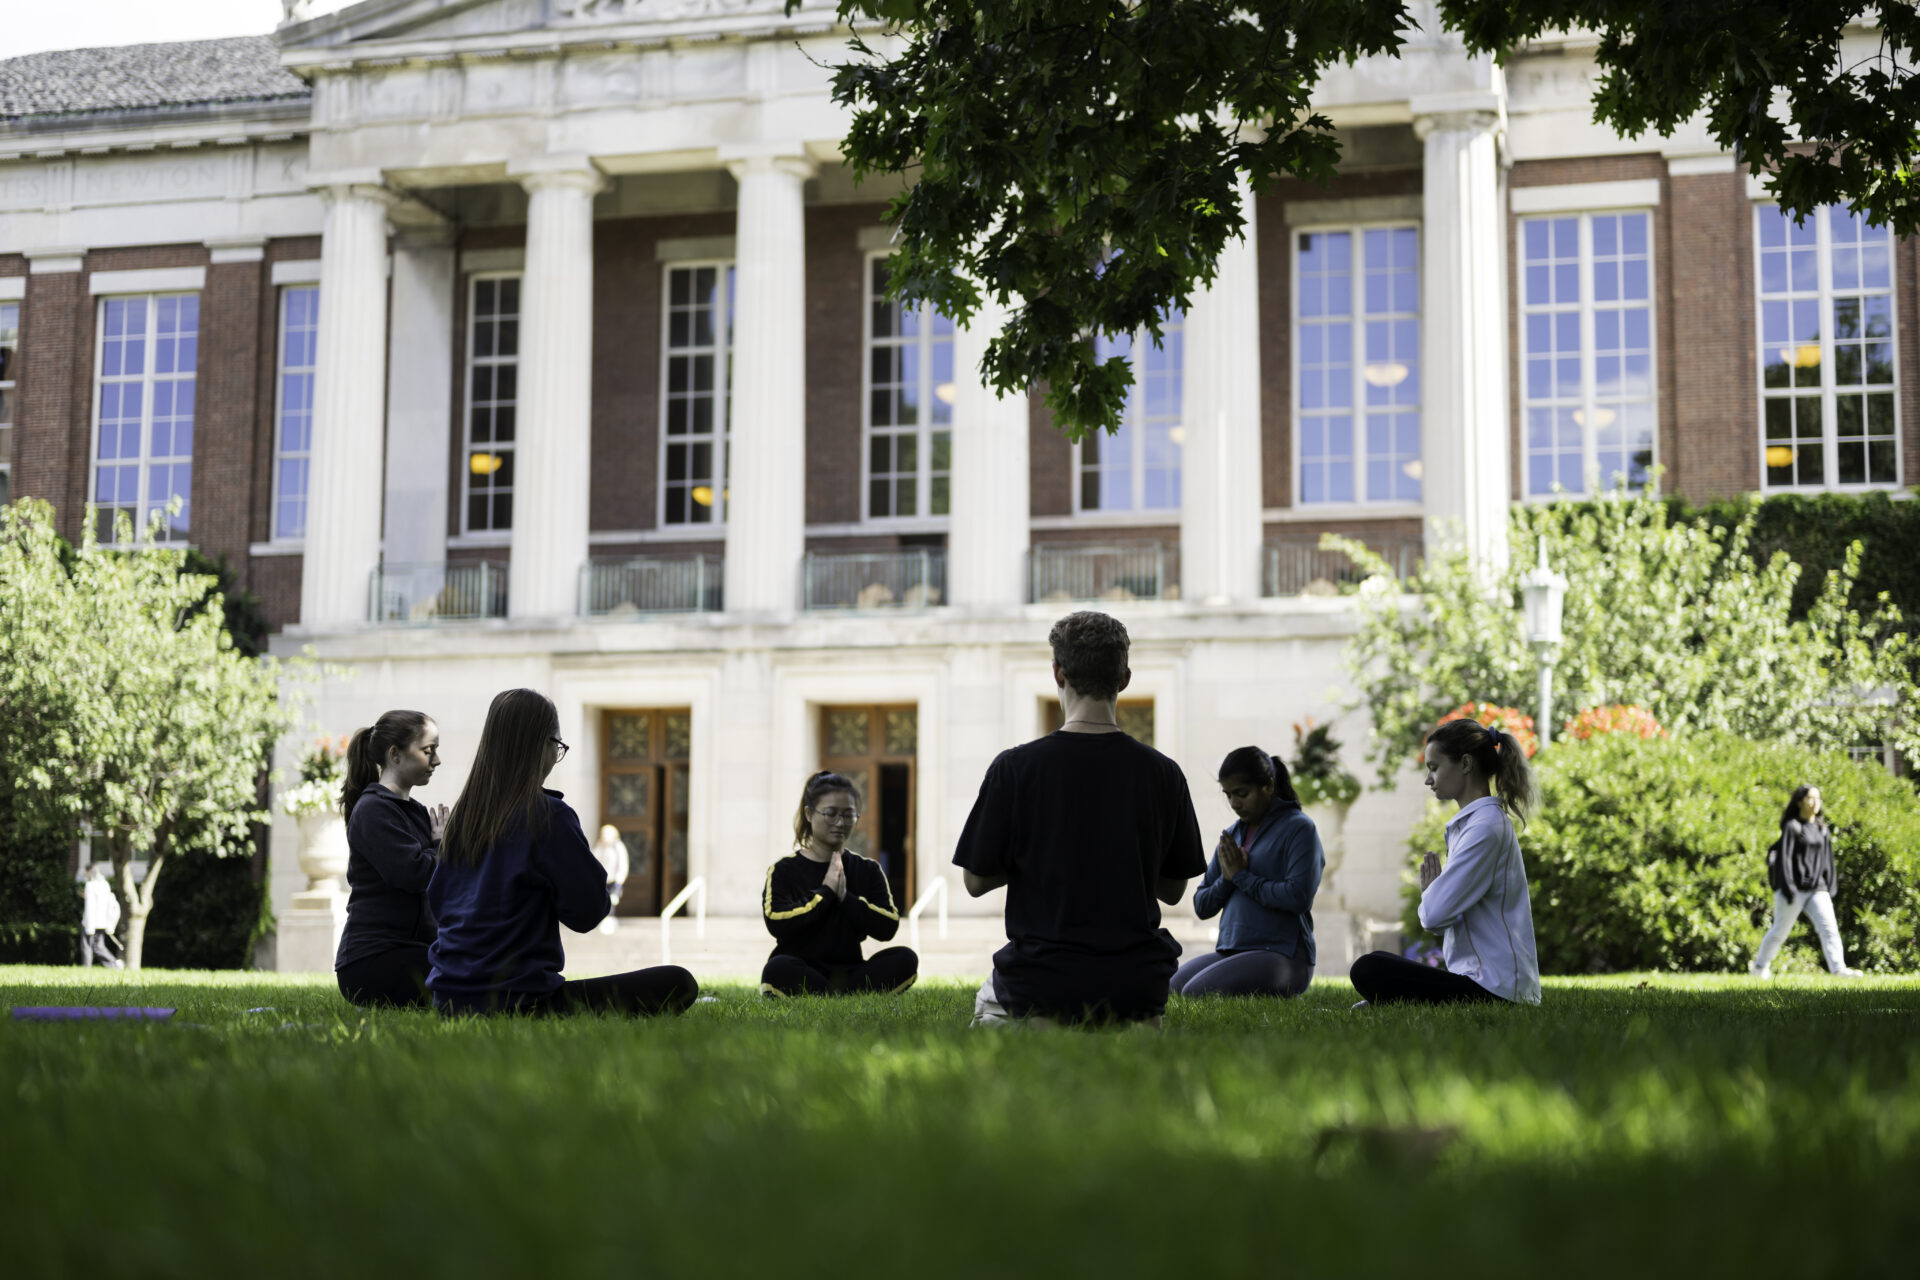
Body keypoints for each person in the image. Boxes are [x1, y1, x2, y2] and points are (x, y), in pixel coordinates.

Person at [954, 611, 1206, 1027]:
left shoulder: (1014, 769)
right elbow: (1174, 889)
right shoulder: (1164, 773)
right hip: (1136, 990)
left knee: (991, 1009)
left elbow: (975, 881)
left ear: (1058, 672)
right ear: (1124, 678)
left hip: (1041, 984)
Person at [427, 688, 698, 1016]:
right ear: (541, 745)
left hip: (448, 999)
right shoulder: (546, 815)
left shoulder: (461, 820)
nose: (556, 757)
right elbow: (588, 913)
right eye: (557, 746)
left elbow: (439, 904)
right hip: (520, 1000)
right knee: (678, 982)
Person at [1350, 717, 1542, 1007]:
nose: (1428, 779)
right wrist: (1436, 899)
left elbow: (1434, 916)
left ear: (1465, 764)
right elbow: (1442, 921)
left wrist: (1431, 892)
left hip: (1496, 990)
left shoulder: (1486, 828)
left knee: (1369, 968)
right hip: (1481, 982)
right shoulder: (1475, 825)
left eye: (1434, 768)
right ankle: (1396, 1002)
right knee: (1376, 965)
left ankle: (1395, 1001)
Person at [1173, 747, 1322, 998]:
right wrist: (1228, 880)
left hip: (1283, 955)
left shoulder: (1300, 829)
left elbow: (1298, 896)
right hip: (1232, 951)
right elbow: (1201, 904)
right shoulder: (1232, 835)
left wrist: (1242, 877)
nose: (1234, 804)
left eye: (1242, 794)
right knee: (1172, 989)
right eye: (1228, 795)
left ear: (1269, 786)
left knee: (1196, 993)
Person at [759, 771, 919, 997]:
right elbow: (776, 921)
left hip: (851, 971)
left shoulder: (868, 869)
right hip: (801, 969)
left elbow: (888, 926)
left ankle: (837, 994)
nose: (840, 823)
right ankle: (841, 995)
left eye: (848, 815)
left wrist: (846, 898)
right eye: (830, 813)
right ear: (809, 813)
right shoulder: (784, 869)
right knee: (777, 969)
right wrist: (825, 893)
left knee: (905, 958)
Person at [335, 710, 445, 1008]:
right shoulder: (373, 810)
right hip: (372, 961)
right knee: (474, 981)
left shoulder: (418, 811)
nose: (436, 760)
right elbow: (412, 873)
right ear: (395, 754)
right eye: (427, 750)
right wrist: (441, 848)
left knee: (485, 970)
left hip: (412, 951)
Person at [1750, 784, 1863, 978]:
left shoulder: (1822, 829)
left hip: (1817, 888)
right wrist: (1789, 888)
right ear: (1799, 801)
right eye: (1810, 798)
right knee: (1780, 931)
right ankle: (1759, 967)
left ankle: (1838, 970)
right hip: (1793, 890)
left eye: (1818, 798)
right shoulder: (1792, 827)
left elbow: (1827, 860)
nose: (1815, 802)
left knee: (1829, 928)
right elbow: (1784, 859)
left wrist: (1830, 886)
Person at [80, 864, 122, 969]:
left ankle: (87, 968)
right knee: (99, 946)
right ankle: (114, 964)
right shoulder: (105, 885)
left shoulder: (90, 885)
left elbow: (90, 906)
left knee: (86, 946)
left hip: (91, 922)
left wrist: (89, 927)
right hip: (102, 922)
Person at [591, 825, 631, 935]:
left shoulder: (618, 846)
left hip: (614, 880)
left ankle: (609, 923)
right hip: (602, 881)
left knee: (611, 902)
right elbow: (594, 860)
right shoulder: (600, 846)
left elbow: (623, 864)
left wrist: (619, 879)